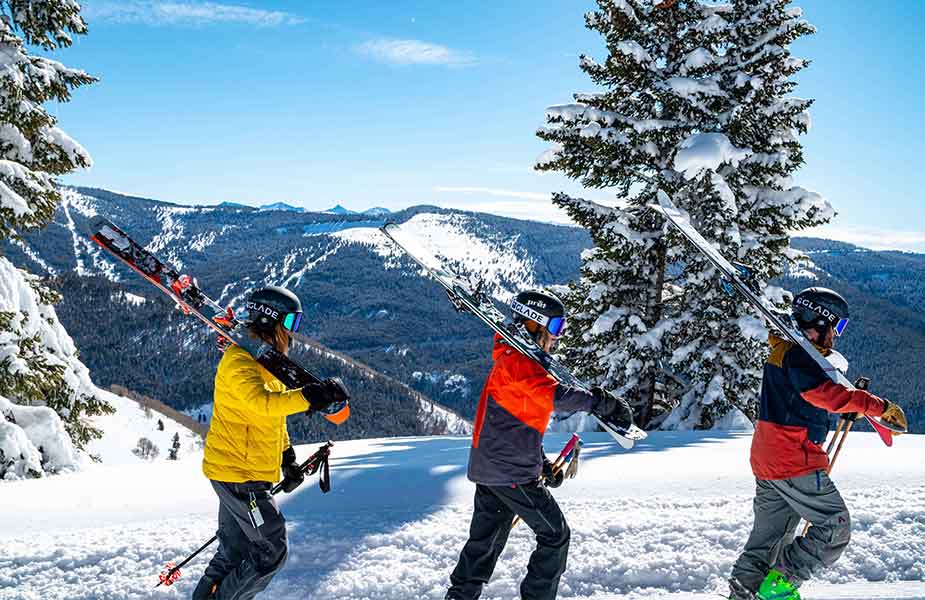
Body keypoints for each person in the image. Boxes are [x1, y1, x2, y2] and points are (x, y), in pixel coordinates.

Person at [446, 289, 635, 600]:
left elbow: (516, 426)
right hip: (511, 475)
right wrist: (602, 403)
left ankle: (460, 595)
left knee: (485, 543)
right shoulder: (520, 365)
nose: (557, 337)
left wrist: (542, 463)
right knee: (555, 536)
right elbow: (557, 395)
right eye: (556, 327)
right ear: (535, 324)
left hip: (492, 469)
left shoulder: (511, 359)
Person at [728, 287, 907, 600]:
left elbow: (810, 397)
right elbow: (823, 395)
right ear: (820, 321)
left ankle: (745, 591)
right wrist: (875, 405)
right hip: (792, 458)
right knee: (835, 526)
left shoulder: (786, 350)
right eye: (836, 327)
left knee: (770, 537)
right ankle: (782, 584)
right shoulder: (799, 355)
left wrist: (852, 406)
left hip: (768, 458)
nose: (836, 337)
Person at [193, 286, 346, 600]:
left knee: (234, 552)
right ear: (270, 321)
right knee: (271, 550)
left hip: (241, 472)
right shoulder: (239, 362)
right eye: (290, 324)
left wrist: (286, 457)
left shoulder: (266, 364)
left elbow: (272, 416)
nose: (293, 334)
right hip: (241, 477)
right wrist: (308, 397)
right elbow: (263, 404)